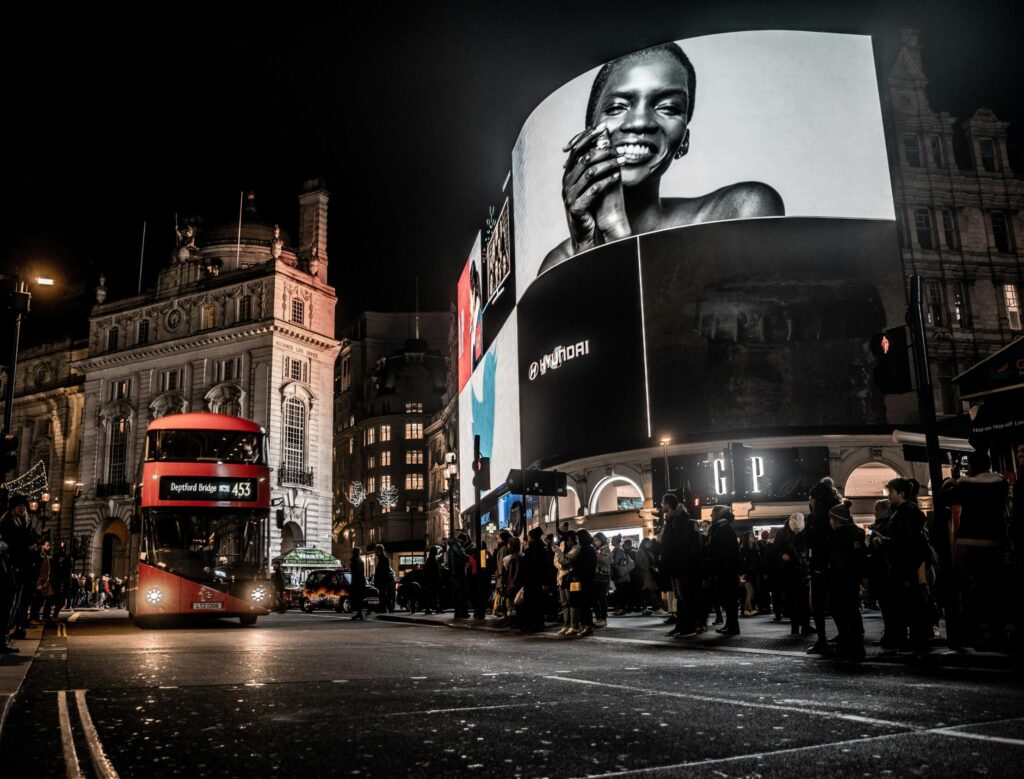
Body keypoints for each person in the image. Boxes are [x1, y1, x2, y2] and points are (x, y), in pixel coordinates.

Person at [541, 42, 784, 271]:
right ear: (587, 134)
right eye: (617, 108)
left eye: (667, 108)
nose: (639, 122)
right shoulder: (561, 261)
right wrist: (587, 249)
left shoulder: (738, 211)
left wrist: (615, 236)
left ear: (684, 140)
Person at [872, 477, 933, 655]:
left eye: (891, 492)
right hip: (905, 563)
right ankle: (911, 639)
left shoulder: (905, 513)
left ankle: (914, 640)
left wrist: (884, 542)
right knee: (906, 602)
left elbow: (905, 541)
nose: (888, 495)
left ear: (901, 493)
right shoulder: (904, 511)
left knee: (907, 603)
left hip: (904, 564)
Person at [827, 500, 867, 661]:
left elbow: (835, 559)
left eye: (831, 519)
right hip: (853, 579)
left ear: (837, 520)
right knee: (853, 611)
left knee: (840, 611)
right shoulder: (857, 533)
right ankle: (857, 644)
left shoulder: (837, 536)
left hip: (840, 579)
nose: (830, 522)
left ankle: (846, 644)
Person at [805, 477, 841, 654]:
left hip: (820, 564)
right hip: (835, 565)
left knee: (819, 604)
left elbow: (809, 541)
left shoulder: (816, 518)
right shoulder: (835, 512)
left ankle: (822, 639)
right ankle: (844, 635)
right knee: (836, 603)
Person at [660, 493, 702, 638]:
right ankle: (680, 626)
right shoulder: (673, 519)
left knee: (685, 596)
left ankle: (689, 627)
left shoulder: (679, 519)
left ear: (668, 504)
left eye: (663, 503)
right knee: (680, 597)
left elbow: (679, 544)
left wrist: (674, 560)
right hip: (676, 565)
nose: (661, 505)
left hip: (681, 565)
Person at [1, 495, 39, 643]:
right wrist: (27, 548)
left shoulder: (21, 522)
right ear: (13, 507)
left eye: (24, 505)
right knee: (9, 605)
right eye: (19, 505)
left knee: (15, 604)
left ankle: (6, 636)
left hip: (20, 568)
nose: (23, 508)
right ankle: (3, 638)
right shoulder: (7, 522)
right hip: (11, 568)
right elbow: (11, 545)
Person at [775, 512, 811, 637]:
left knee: (803, 600)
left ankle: (805, 625)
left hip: (802, 569)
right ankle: (795, 626)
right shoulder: (782, 533)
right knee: (792, 599)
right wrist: (782, 555)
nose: (796, 532)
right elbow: (776, 549)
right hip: (789, 571)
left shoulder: (803, 532)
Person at [707, 506, 740, 635]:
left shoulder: (723, 529)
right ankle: (730, 624)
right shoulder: (725, 527)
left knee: (729, 599)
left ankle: (733, 626)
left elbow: (721, 551)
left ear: (718, 514)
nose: (711, 516)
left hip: (726, 570)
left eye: (712, 514)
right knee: (728, 599)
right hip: (727, 569)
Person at [568, 529, 597, 636]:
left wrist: (573, 565)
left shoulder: (585, 550)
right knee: (582, 604)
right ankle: (584, 625)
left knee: (584, 604)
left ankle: (587, 625)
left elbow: (584, 565)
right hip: (584, 580)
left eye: (577, 538)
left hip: (583, 580)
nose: (576, 540)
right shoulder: (588, 549)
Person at [592, 532, 612, 627]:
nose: (595, 542)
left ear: (602, 540)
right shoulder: (597, 549)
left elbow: (605, 561)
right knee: (595, 598)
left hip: (603, 576)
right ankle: (598, 618)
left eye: (597, 540)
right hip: (596, 576)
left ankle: (603, 619)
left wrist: (595, 554)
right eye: (594, 540)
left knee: (602, 598)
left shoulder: (606, 549)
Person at [373, 544, 396, 613]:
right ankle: (384, 609)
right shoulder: (382, 559)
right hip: (382, 581)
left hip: (383, 581)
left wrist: (378, 579)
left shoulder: (384, 559)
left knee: (384, 595)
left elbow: (383, 571)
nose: (375, 552)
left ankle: (387, 609)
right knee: (383, 595)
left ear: (379, 551)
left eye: (376, 551)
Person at [422, 545, 442, 615]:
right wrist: (438, 577)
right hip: (433, 580)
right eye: (436, 551)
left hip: (430, 580)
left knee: (431, 595)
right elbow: (435, 571)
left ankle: (432, 608)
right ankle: (436, 608)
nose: (437, 552)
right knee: (434, 594)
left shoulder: (429, 559)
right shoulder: (433, 560)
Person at [349, 547, 367, 621]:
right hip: (361, 580)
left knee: (356, 597)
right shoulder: (360, 561)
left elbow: (354, 571)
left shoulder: (354, 560)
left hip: (356, 581)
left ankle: (359, 613)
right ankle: (359, 612)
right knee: (359, 598)